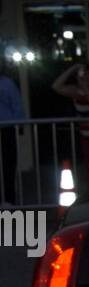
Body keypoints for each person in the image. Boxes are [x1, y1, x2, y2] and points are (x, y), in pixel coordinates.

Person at [52, 61, 89, 185]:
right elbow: (56, 86)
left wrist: (87, 90)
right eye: (84, 75)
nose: (87, 77)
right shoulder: (76, 91)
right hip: (87, 137)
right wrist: (73, 68)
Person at [0, 60, 25, 193]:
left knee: (8, 164)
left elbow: (17, 106)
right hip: (8, 127)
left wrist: (19, 125)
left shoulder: (7, 83)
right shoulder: (8, 83)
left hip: (7, 129)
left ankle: (9, 198)